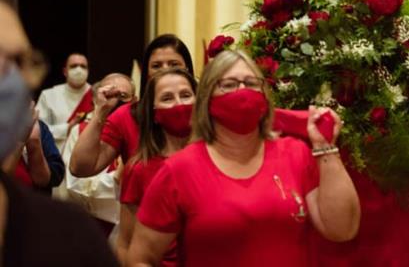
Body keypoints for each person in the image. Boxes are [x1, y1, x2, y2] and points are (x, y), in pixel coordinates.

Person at [127, 50, 360, 265]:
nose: (242, 91)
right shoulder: (179, 169)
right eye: (229, 85)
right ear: (207, 99)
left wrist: (325, 146)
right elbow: (139, 258)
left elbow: (342, 229)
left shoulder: (294, 153)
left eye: (250, 83)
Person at [0, 0, 119, 266]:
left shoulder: (70, 236)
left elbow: (51, 174)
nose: (12, 81)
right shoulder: (52, 96)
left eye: (20, 62)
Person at [70, 34, 193, 177]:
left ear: (187, 69)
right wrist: (100, 112)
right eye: (156, 66)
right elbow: (79, 168)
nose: (165, 71)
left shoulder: (205, 114)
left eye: (174, 64)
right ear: (146, 73)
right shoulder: (126, 116)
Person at [117, 68, 196, 265]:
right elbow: (126, 243)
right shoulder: (139, 169)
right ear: (154, 114)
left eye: (186, 95)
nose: (179, 104)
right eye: (167, 98)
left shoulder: (218, 159)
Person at [63, 73, 134, 237]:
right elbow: (75, 185)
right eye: (109, 95)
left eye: (123, 96)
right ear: (97, 98)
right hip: (96, 227)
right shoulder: (81, 132)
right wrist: (118, 177)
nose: (116, 102)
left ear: (134, 100)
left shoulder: (139, 131)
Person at [4, 102, 64, 195]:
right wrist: (20, 141)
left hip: (35, 203)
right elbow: (3, 180)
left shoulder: (39, 127)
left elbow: (53, 179)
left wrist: (34, 143)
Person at [36, 52, 91, 152]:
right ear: (65, 71)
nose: (79, 70)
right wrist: (67, 128)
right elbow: (38, 131)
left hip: (88, 157)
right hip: (57, 158)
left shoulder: (97, 95)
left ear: (88, 71)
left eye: (83, 66)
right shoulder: (49, 95)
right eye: (74, 66)